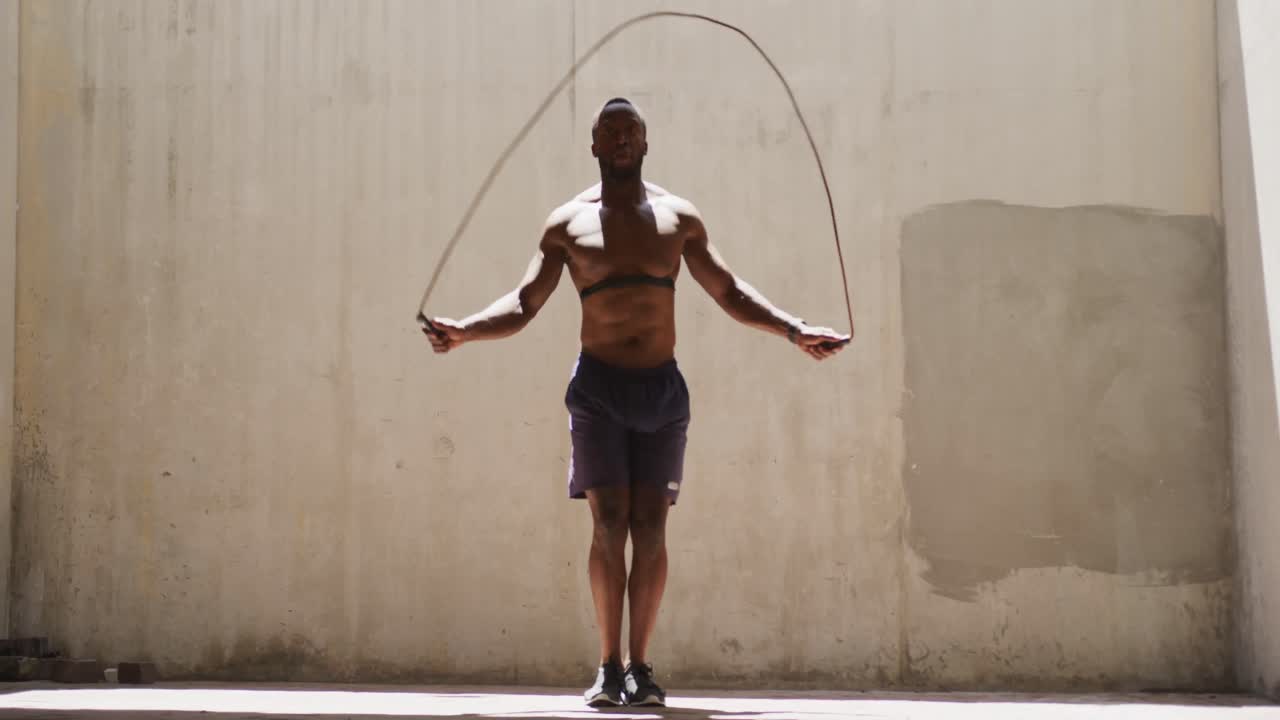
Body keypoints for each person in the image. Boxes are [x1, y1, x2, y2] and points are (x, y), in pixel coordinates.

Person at [423, 97, 850, 707]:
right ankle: (607, 665)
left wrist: (793, 328)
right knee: (607, 524)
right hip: (598, 389)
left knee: (650, 527)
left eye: (632, 132)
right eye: (610, 132)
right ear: (594, 145)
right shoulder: (567, 224)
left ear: (645, 144)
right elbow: (524, 303)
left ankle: (642, 668)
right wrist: (464, 329)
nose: (621, 140)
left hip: (660, 389)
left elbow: (727, 290)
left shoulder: (679, 218)